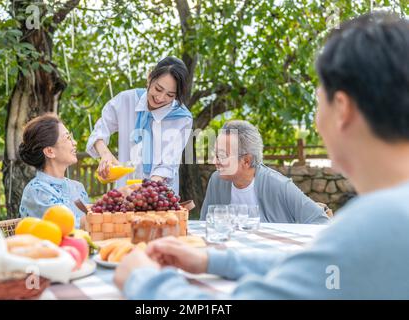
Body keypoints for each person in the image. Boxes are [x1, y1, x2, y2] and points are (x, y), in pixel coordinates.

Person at [113, 12, 409, 299]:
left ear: (342, 109)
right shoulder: (390, 217)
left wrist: (143, 281)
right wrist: (211, 261)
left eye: (319, 100)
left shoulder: (375, 224)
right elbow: (313, 270)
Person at [86, 57, 193, 193]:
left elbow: (167, 164)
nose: (160, 98)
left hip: (159, 196)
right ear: (149, 78)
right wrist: (105, 155)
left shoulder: (182, 118)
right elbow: (99, 131)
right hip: (125, 192)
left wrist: (146, 191)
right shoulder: (126, 100)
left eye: (170, 95)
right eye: (158, 89)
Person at [200, 120, 329, 224]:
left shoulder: (279, 185)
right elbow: (204, 224)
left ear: (246, 161)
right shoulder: (216, 181)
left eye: (222, 155)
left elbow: (321, 221)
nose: (214, 161)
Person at [19, 114, 89, 228]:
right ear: (50, 151)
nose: (75, 142)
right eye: (68, 138)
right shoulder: (36, 192)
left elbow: (92, 222)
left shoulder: (77, 188)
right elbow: (69, 227)